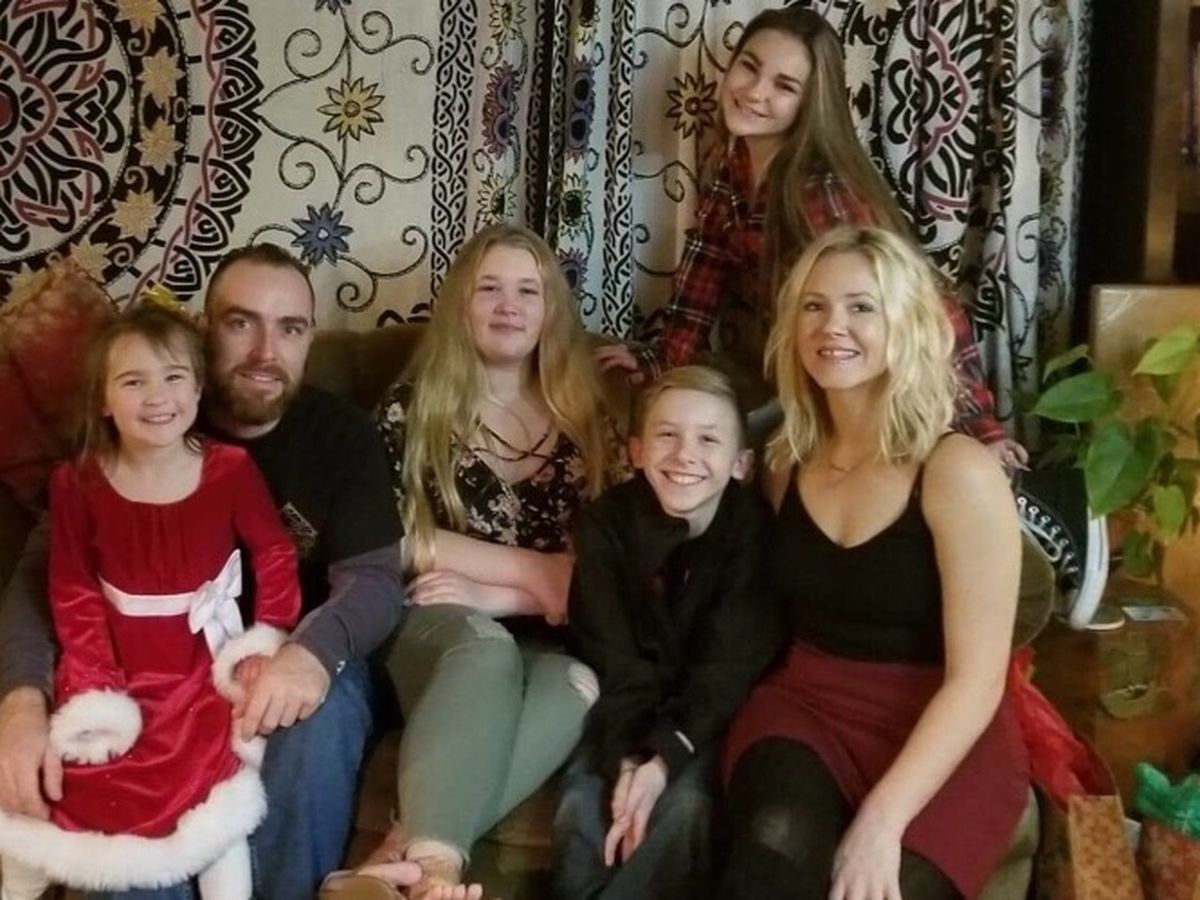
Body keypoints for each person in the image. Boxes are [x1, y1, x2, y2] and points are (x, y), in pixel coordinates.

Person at [0, 244, 413, 900]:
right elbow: (41, 578)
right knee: (127, 825)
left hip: (288, 651)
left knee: (315, 719)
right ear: (203, 330)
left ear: (310, 339)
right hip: (150, 669)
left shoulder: (340, 436)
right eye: (241, 323)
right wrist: (22, 701)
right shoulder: (141, 424)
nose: (265, 352)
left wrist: (311, 654)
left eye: (291, 328)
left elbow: (375, 580)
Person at [718, 226, 1030, 900]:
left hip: (943, 722)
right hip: (806, 707)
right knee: (771, 850)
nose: (833, 325)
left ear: (906, 324)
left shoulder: (959, 472)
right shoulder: (783, 462)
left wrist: (882, 821)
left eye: (862, 306)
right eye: (814, 306)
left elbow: (978, 681)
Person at [594, 6, 1027, 469]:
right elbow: (704, 275)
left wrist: (978, 427)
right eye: (749, 67)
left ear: (810, 103)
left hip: (856, 389)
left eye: (784, 86)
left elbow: (924, 304)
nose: (755, 91)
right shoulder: (734, 165)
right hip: (794, 376)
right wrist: (661, 360)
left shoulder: (820, 192)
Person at [323, 224, 619, 900]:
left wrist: (502, 595)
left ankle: (400, 854)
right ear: (462, 303)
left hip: (545, 637)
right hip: (430, 623)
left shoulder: (591, 417)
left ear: (551, 309)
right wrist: (534, 573)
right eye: (489, 288)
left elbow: (610, 560)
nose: (508, 305)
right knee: (484, 647)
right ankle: (438, 872)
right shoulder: (414, 406)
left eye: (527, 291)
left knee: (578, 685)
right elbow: (386, 535)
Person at [0, 303, 301, 899]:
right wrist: (96, 680)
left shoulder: (230, 470)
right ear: (104, 401)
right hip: (113, 662)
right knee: (72, 773)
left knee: (213, 782)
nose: (157, 396)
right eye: (133, 381)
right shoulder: (77, 483)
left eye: (173, 377)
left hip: (198, 666)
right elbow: (72, 587)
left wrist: (264, 641)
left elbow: (274, 553)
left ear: (198, 389)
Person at [552, 365, 779, 900]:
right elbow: (611, 654)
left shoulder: (753, 531)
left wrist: (664, 757)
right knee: (582, 809)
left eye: (708, 440)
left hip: (707, 712)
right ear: (635, 451)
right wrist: (629, 758)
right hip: (623, 704)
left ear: (741, 462)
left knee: (686, 810)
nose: (684, 455)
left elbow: (729, 665)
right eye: (667, 435)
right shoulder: (604, 526)